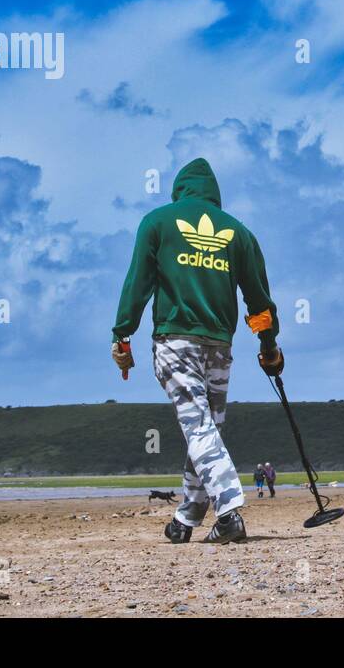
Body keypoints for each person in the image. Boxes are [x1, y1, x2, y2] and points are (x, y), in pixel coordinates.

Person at [111, 157, 283, 545]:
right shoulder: (239, 233)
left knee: (199, 428)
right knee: (206, 429)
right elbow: (259, 302)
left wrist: (122, 335)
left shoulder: (157, 222)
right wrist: (268, 345)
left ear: (179, 190)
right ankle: (186, 518)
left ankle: (228, 513)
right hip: (219, 344)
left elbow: (137, 284)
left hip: (175, 340)